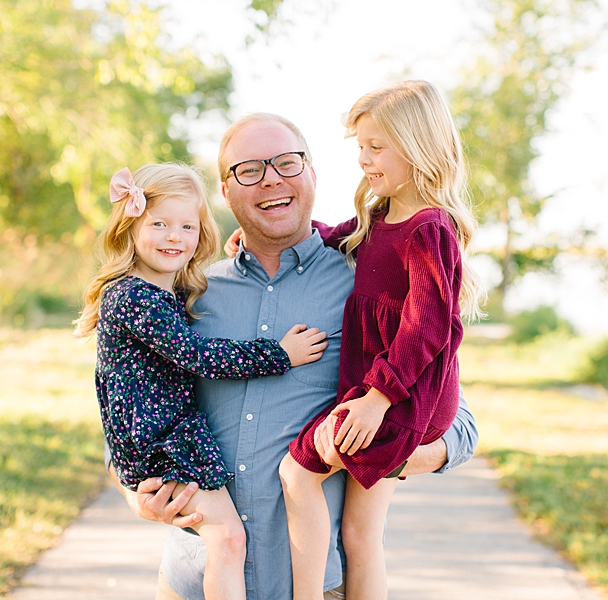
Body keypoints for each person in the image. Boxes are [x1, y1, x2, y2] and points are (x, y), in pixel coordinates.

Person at [112, 113, 479, 600]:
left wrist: (381, 451)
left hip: (319, 585)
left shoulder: (366, 280)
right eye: (249, 170)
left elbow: (459, 425)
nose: (271, 180)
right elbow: (127, 404)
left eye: (287, 163)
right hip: (194, 581)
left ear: (311, 173)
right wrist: (134, 493)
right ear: (225, 190)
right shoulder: (189, 292)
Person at [75, 162, 328, 600]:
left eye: (187, 226)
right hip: (161, 444)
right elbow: (198, 356)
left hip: (171, 436)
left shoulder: (170, 291)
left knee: (226, 540)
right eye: (159, 224)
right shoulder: (133, 296)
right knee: (228, 540)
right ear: (130, 226)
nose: (174, 236)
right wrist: (279, 355)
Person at [277, 80, 484, 600]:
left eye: (376, 147)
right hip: (387, 392)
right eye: (360, 147)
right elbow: (338, 235)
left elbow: (429, 326)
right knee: (360, 532)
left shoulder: (429, 228)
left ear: (416, 146)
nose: (364, 160)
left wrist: (377, 399)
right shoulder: (381, 215)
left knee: (297, 474)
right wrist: (286, 237)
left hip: (401, 396)